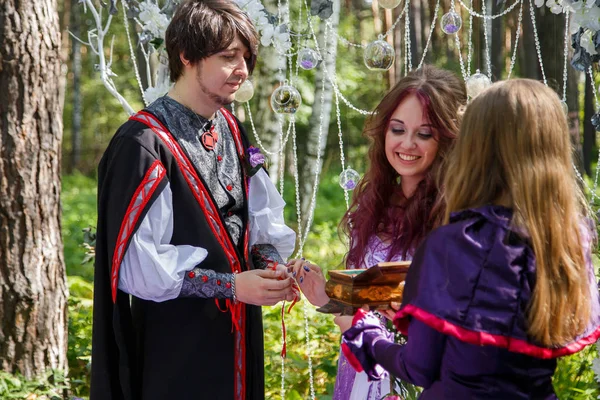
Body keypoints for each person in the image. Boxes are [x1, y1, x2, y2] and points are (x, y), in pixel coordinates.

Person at [337, 79, 600, 399]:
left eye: (425, 133)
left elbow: (418, 367)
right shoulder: (570, 241)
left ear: (475, 144)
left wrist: (365, 333)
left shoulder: (456, 243)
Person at [90, 1, 298, 399]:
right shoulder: (143, 145)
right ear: (186, 56)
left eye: (246, 57)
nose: (242, 69)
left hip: (239, 339)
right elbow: (141, 270)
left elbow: (256, 221)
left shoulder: (231, 128)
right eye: (228, 57)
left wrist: (272, 270)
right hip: (177, 351)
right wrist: (232, 287)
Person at [288, 65, 467, 400]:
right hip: (362, 377)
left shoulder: (457, 218)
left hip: (421, 382)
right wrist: (325, 296)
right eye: (397, 129)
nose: (407, 144)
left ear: (448, 138)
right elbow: (358, 314)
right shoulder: (374, 205)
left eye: (424, 133)